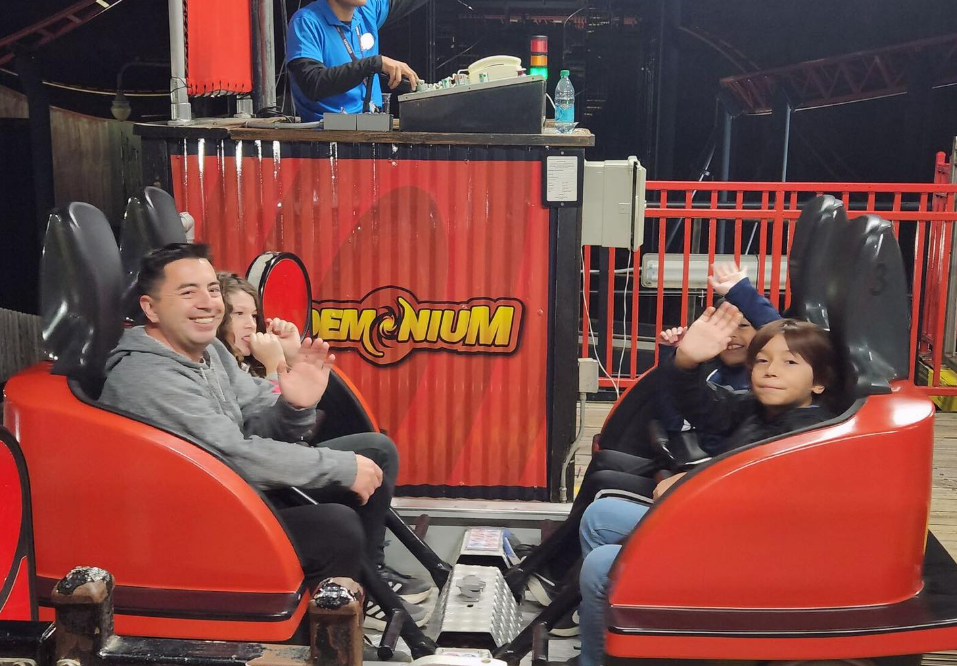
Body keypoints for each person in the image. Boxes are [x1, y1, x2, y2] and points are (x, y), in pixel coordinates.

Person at [98, 243, 431, 630]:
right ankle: (322, 639)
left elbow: (258, 419)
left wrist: (295, 406)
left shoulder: (210, 352)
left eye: (212, 289)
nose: (208, 303)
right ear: (151, 308)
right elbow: (232, 457)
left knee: (374, 451)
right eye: (188, 292)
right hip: (183, 528)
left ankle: (366, 585)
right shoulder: (148, 376)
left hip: (228, 497)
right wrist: (338, 467)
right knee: (334, 528)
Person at [575, 304, 839, 666]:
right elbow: (705, 407)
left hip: (745, 559)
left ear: (819, 382)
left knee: (601, 567)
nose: (771, 371)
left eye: (789, 363)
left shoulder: (806, 436)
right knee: (600, 516)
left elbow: (750, 506)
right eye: (762, 361)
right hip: (719, 531)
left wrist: (688, 488)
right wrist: (686, 362)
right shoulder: (759, 410)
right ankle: (615, 632)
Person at [510, 263, 782, 610]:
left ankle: (558, 580)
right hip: (692, 468)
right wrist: (679, 357)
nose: (731, 335)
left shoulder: (762, 385)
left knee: (606, 489)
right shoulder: (717, 373)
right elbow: (676, 414)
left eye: (744, 326)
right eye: (723, 325)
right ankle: (550, 568)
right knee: (606, 464)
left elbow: (787, 341)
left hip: (703, 483)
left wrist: (742, 292)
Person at [286, 0, 429, 121]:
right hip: (328, 135)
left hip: (373, 127)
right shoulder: (306, 22)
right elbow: (313, 83)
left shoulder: (366, 10)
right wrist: (373, 64)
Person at [216, 272, 300, 380]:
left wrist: (293, 359)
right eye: (239, 313)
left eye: (254, 315)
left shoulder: (250, 369)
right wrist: (274, 364)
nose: (252, 325)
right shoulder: (212, 374)